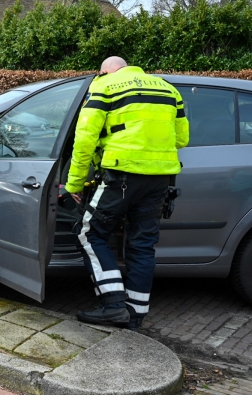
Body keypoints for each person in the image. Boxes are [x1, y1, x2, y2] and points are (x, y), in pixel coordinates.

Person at [65, 56, 189, 330]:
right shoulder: (168, 89)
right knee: (142, 244)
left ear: (104, 71)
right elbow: (182, 139)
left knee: (88, 232)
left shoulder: (105, 86)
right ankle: (135, 315)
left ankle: (113, 305)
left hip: (121, 176)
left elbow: (84, 140)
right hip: (160, 179)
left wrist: (74, 184)